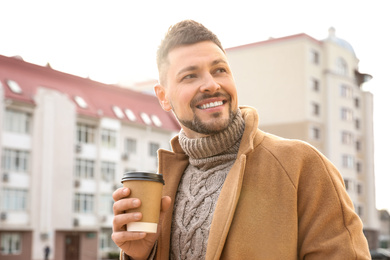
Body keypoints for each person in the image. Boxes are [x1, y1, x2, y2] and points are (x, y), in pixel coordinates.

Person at [112, 20, 371, 259]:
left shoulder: (301, 165)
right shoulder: (163, 187)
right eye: (190, 76)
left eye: (220, 70)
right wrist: (141, 256)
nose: (211, 84)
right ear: (163, 97)